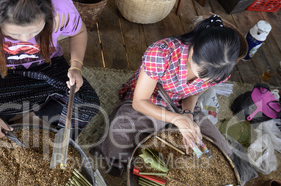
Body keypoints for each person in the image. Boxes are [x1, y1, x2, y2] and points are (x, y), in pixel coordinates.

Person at [91, 15, 241, 177]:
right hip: (151, 99)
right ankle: (122, 161)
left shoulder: (219, 72)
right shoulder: (162, 54)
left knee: (219, 148)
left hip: (182, 104)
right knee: (121, 131)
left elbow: (192, 93)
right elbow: (139, 102)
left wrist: (187, 115)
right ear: (193, 52)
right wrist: (175, 119)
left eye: (208, 80)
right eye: (200, 74)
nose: (201, 81)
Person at [0, 0, 100, 138]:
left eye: (36, 31)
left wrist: (76, 66)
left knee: (86, 101)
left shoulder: (59, 5)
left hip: (47, 66)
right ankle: (29, 122)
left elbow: (78, 31)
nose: (26, 40)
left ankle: (24, 121)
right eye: (14, 35)